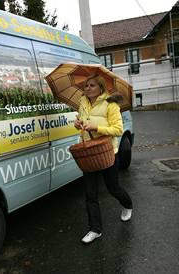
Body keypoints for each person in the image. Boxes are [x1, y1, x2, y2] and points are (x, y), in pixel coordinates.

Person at [74, 75, 133, 244]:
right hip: (89, 153)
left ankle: (127, 204)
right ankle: (95, 229)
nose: (88, 88)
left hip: (107, 151)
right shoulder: (83, 102)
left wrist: (97, 127)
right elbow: (82, 124)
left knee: (112, 188)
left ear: (101, 88)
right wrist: (78, 125)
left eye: (92, 85)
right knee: (90, 193)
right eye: (86, 85)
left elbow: (118, 129)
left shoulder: (111, 104)